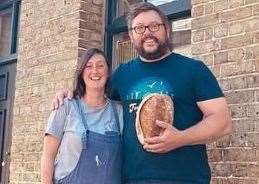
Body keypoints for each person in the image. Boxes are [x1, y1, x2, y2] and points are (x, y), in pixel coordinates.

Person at [52, 2, 232, 184]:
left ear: (167, 29)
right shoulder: (122, 74)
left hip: (185, 178)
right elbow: (95, 100)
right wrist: (69, 93)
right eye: (139, 28)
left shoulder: (193, 70)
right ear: (131, 35)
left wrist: (181, 138)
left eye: (154, 26)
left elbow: (222, 122)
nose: (147, 32)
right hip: (132, 179)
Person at [41, 48, 123, 184]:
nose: (95, 71)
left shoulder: (119, 112)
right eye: (89, 66)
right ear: (81, 73)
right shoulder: (66, 106)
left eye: (100, 66)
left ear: (108, 72)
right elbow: (48, 156)